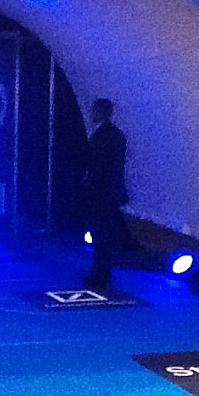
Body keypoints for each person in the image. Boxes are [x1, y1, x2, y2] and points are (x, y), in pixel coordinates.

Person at [83, 98, 128, 288]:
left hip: (103, 193)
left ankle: (101, 273)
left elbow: (101, 167)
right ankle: (102, 272)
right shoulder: (114, 135)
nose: (92, 114)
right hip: (108, 192)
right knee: (103, 234)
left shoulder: (104, 136)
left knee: (102, 235)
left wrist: (90, 182)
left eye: (95, 110)